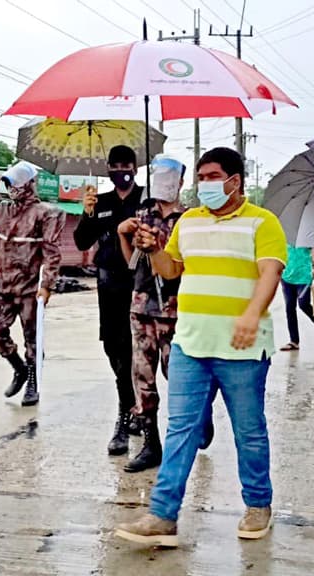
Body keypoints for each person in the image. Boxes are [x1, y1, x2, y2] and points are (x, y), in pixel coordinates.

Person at [115, 147, 287, 547]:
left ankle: (258, 504)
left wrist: (251, 314)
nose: (205, 184)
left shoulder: (263, 223)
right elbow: (171, 270)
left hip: (242, 349)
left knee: (250, 431)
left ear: (235, 180)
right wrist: (154, 248)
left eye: (212, 176)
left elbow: (270, 273)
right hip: (190, 343)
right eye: (201, 177)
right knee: (181, 429)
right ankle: (162, 514)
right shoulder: (189, 222)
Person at [0, 161, 65, 407]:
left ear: (30, 184)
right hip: (2, 286)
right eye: (9, 183)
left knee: (33, 338)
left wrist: (47, 284)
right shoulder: (1, 211)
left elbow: (52, 252)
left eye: (17, 183)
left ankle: (33, 381)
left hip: (30, 289)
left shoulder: (45, 213)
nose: (12, 188)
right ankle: (19, 369)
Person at [116, 155, 188, 473]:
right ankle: (151, 443)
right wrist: (124, 235)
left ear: (182, 182)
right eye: (159, 174)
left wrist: (159, 244)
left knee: (180, 376)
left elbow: (182, 266)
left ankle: (197, 421)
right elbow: (131, 261)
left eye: (170, 176)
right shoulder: (142, 215)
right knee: (143, 378)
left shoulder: (189, 220)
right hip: (142, 305)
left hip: (176, 308)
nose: (163, 181)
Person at [75, 145, 145, 456]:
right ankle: (128, 408)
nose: (121, 170)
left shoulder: (147, 199)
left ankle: (136, 413)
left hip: (141, 283)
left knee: (142, 350)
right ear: (108, 169)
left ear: (135, 167)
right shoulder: (99, 202)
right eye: (114, 165)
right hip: (109, 285)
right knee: (115, 348)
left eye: (126, 164)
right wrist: (86, 213)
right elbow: (81, 241)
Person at [279, 244, 314, 352]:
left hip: (303, 276)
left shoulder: (304, 231)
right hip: (286, 275)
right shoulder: (284, 231)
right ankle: (294, 341)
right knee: (289, 308)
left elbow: (313, 249)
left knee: (303, 304)